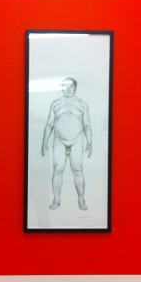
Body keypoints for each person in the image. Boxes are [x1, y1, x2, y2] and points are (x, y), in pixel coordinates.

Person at [41, 77, 92, 211]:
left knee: (78, 171)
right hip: (59, 140)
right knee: (57, 170)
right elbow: (49, 124)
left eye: (71, 86)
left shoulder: (82, 104)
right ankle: (56, 200)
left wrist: (89, 142)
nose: (68, 89)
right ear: (62, 88)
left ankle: (81, 200)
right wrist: (44, 141)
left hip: (76, 140)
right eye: (65, 86)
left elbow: (86, 124)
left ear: (75, 88)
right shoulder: (56, 104)